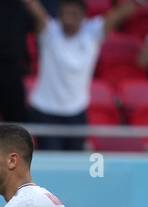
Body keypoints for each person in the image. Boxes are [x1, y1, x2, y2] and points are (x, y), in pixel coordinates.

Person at [22, 0, 145, 152]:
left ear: (83, 16)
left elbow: (118, 15)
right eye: (65, 15)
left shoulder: (93, 33)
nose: (68, 19)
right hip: (46, 109)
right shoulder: (49, 30)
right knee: (52, 159)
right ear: (59, 16)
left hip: (76, 111)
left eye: (73, 14)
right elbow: (33, 6)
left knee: (74, 160)